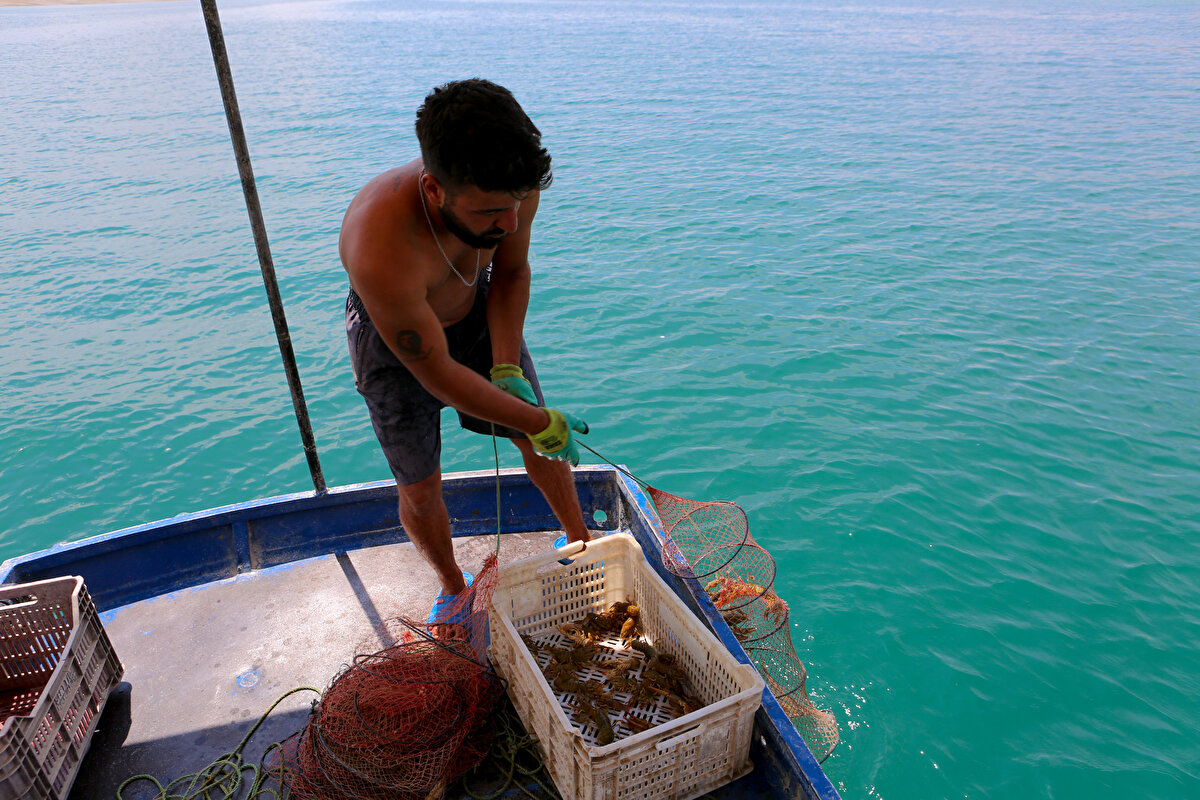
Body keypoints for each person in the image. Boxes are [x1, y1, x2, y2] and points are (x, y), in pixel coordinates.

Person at [339, 78, 591, 635]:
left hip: (477, 308)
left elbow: (511, 270)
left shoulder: (510, 189)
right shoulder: (378, 243)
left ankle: (579, 541)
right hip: (396, 342)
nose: (509, 224)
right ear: (434, 190)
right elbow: (440, 376)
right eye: (490, 214)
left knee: (533, 437)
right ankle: (453, 587)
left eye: (517, 208)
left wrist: (506, 369)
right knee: (421, 486)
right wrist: (539, 418)